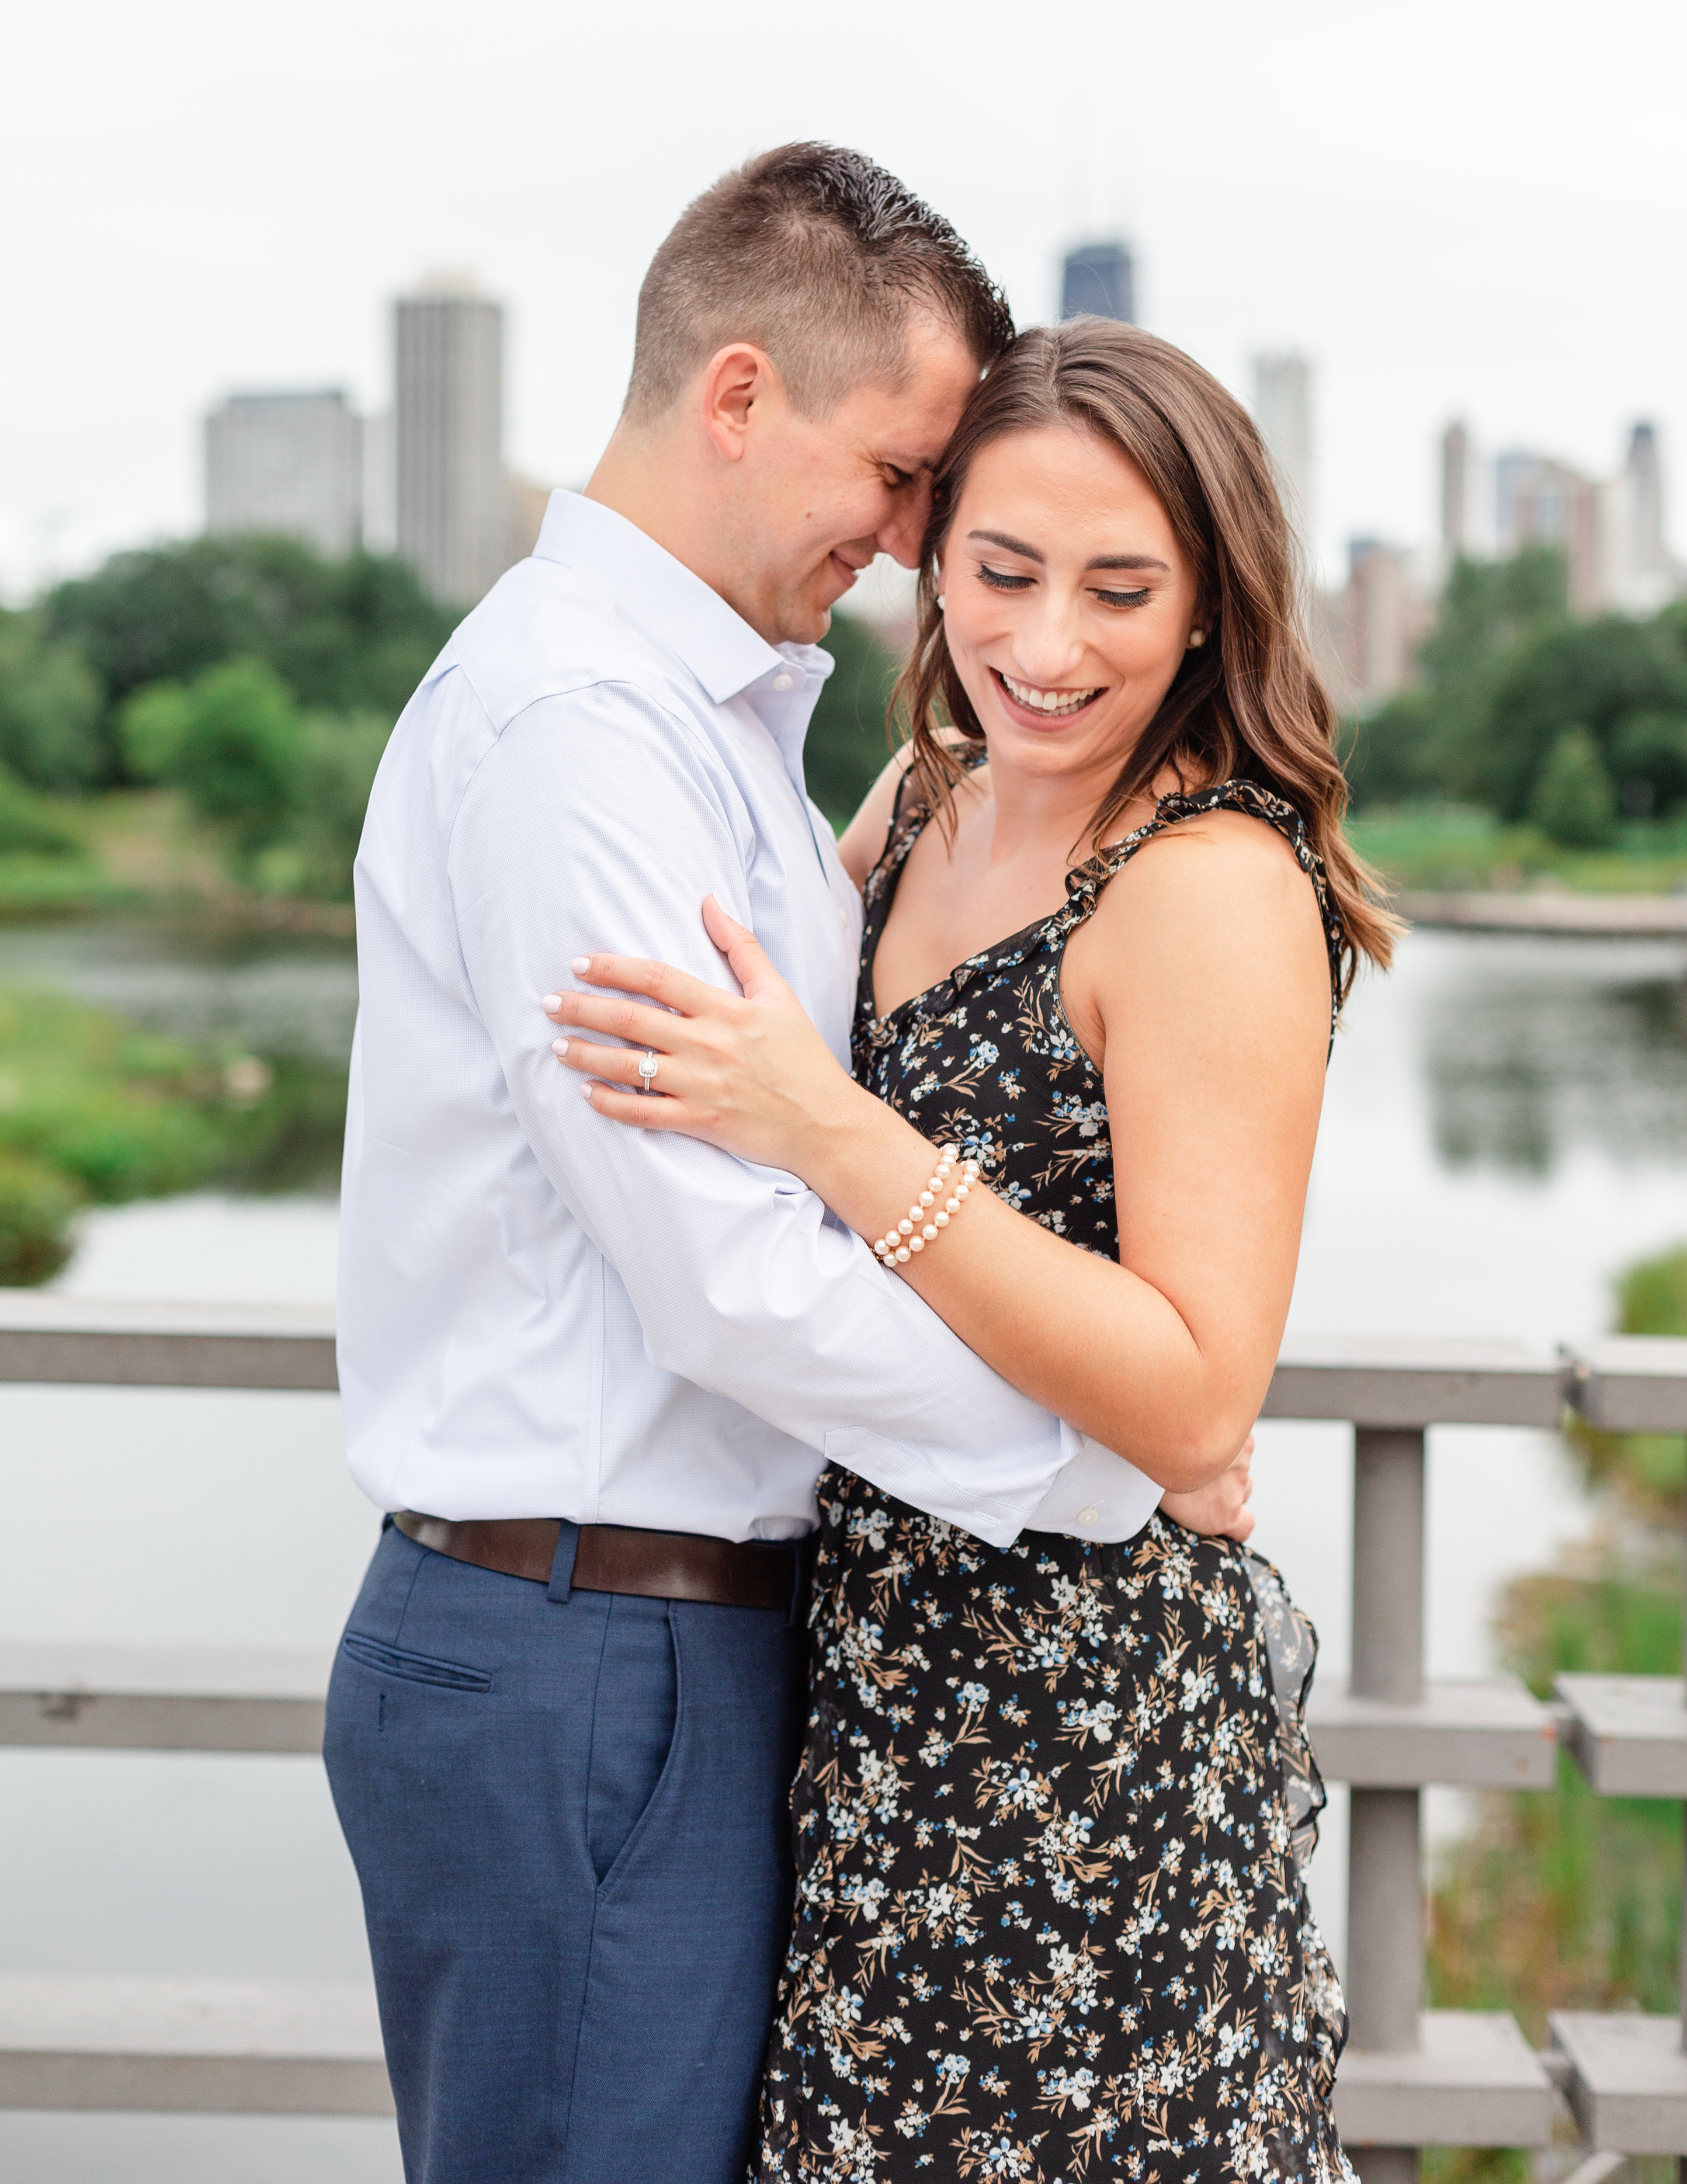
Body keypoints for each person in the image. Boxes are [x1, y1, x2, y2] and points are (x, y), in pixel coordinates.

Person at [323, 149, 1248, 2184]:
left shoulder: (727, 717)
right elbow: (727, 1269)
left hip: (691, 1644)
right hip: (584, 1641)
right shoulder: (581, 728)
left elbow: (844, 1103)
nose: (923, 542)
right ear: (738, 396)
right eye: (906, 476)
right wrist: (1107, 1452)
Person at [544, 316, 1398, 2181]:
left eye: (1119, 588)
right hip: (871, 1693)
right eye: (1002, 571)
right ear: (933, 556)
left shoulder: (1209, 886)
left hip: (1083, 1742)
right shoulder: (926, 795)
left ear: (1207, 607)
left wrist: (838, 1135)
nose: (1046, 643)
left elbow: (1196, 1395)